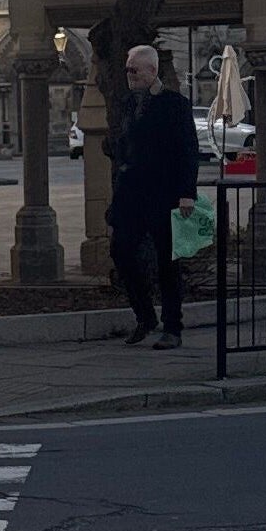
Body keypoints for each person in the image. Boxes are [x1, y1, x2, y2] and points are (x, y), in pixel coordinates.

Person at [106, 43, 199, 348]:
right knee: (121, 251)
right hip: (132, 196)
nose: (129, 74)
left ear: (152, 70)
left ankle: (173, 327)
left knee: (167, 263)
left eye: (134, 69)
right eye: (127, 69)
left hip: (164, 194)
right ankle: (145, 315)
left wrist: (187, 194)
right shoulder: (130, 104)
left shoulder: (174, 105)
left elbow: (188, 151)